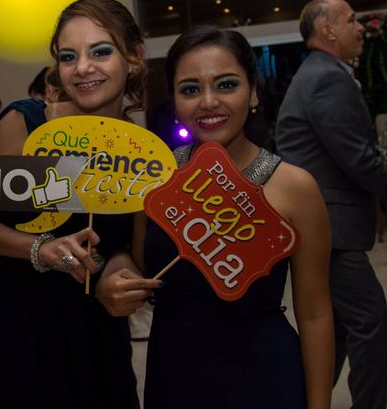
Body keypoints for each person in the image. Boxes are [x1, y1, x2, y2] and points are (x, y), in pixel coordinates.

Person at [97, 24, 334, 408]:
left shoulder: (295, 187)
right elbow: (137, 261)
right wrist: (112, 277)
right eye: (190, 89)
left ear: (253, 92)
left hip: (264, 377)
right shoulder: (154, 177)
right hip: (173, 375)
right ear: (174, 100)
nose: (208, 102)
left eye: (226, 84)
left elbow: (315, 313)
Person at [0, 0, 146, 409]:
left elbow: (123, 243)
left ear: (134, 57)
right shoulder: (23, 124)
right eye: (68, 56)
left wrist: (119, 269)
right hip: (21, 325)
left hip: (95, 328)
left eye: (100, 51)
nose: (82, 68)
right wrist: (38, 249)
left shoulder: (136, 147)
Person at [276, 0, 387, 408]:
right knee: (372, 321)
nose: (360, 27)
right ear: (327, 30)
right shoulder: (326, 77)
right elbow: (356, 156)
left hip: (324, 224)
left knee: (340, 326)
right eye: (351, 19)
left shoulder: (322, 73)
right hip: (328, 226)